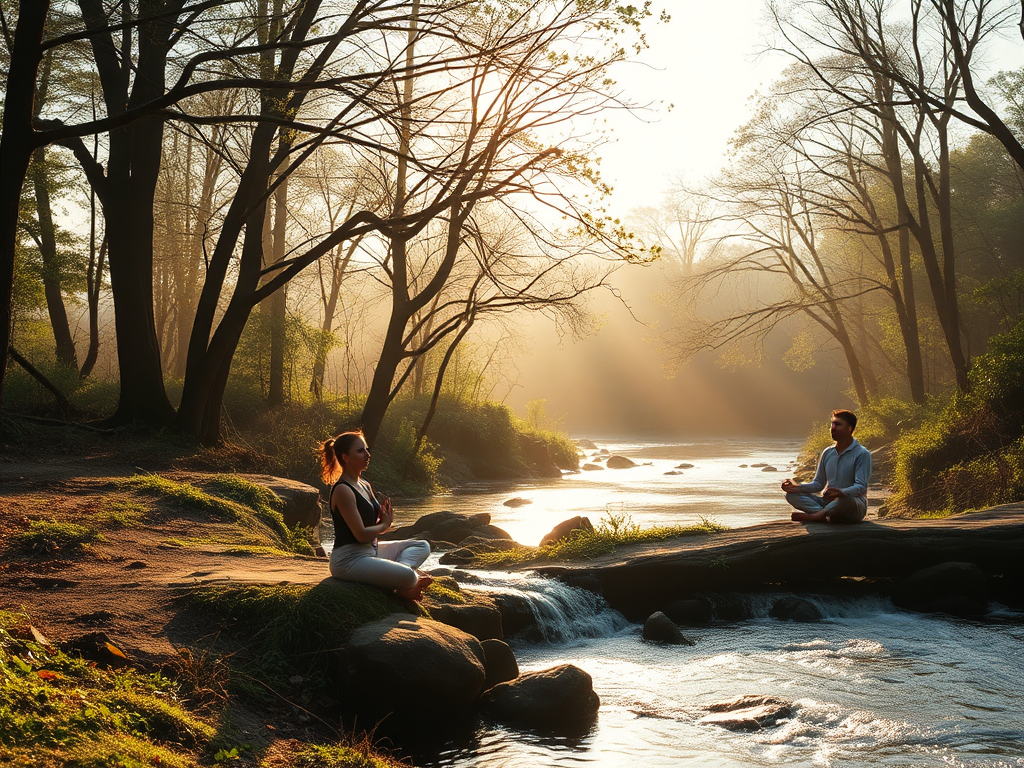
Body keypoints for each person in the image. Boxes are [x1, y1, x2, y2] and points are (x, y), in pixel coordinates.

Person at [318, 430, 433, 600]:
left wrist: (382, 521)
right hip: (348, 561)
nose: (367, 454)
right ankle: (405, 581)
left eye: (366, 449)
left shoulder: (364, 485)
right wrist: (384, 525)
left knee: (422, 545)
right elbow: (361, 534)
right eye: (360, 451)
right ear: (345, 457)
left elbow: (373, 528)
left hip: (371, 552)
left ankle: (399, 576)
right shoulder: (343, 490)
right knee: (409, 576)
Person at [781, 409, 872, 524]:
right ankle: (825, 515)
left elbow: (861, 486)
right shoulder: (828, 452)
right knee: (791, 496)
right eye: (832, 424)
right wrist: (796, 488)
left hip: (852, 504)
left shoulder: (862, 453)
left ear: (849, 429)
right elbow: (818, 484)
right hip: (828, 502)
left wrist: (841, 492)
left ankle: (816, 516)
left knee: (844, 501)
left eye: (837, 424)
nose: (833, 428)